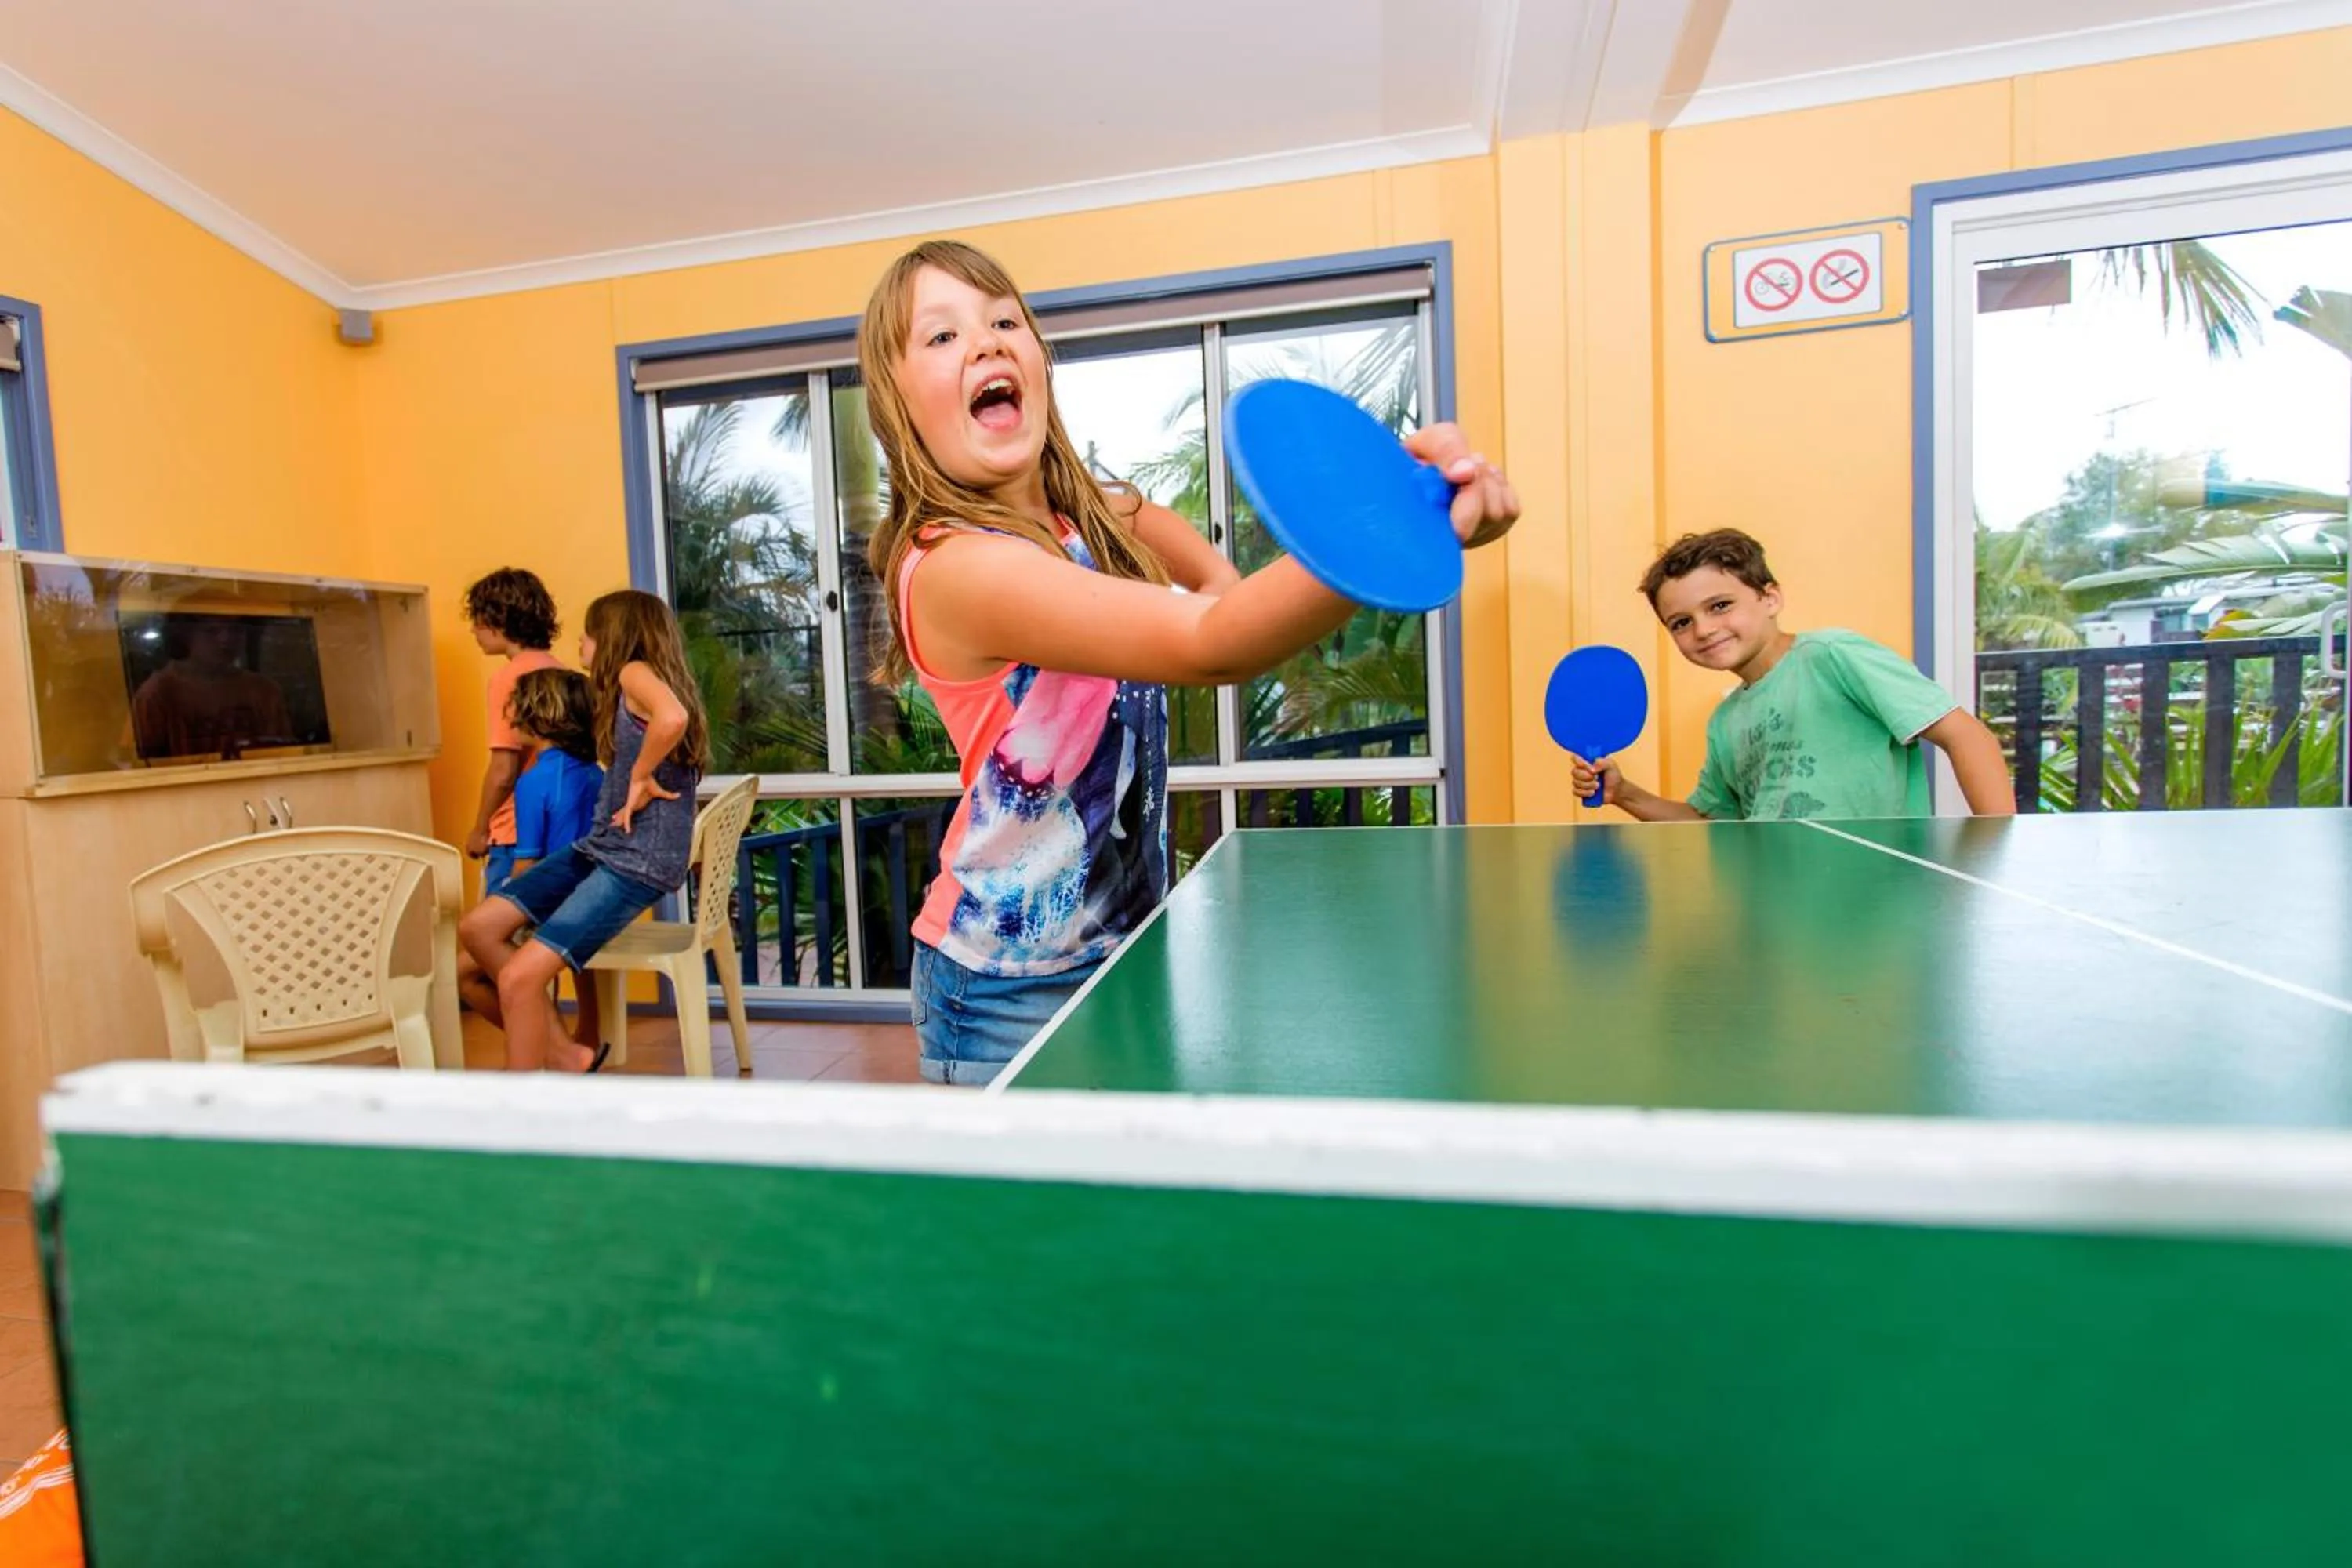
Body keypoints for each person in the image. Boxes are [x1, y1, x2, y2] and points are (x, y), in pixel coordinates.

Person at [858, 238, 1520, 1085]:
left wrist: (1409, 516)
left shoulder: (1096, 513)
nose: (985, 341)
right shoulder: (956, 568)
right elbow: (1214, 643)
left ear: (1036, 358)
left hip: (1124, 941)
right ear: (896, 403)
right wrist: (1394, 523)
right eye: (941, 337)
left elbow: (1219, 595)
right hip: (1003, 986)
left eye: (1002, 319)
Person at [1568, 529, 2014, 821]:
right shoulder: (1726, 720)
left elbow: (1966, 736)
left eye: (1720, 606)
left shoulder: (1833, 656)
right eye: (1681, 622)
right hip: (1782, 909)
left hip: (1878, 903)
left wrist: (1997, 853)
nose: (1703, 629)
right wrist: (1625, 793)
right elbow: (1710, 822)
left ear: (1770, 598)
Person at [458, 590, 707, 1073]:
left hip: (632, 864)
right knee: (479, 928)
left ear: (613, 638)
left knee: (517, 980)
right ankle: (568, 1055)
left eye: (588, 634)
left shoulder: (632, 671)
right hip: (603, 850)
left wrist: (640, 774)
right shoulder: (630, 687)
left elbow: (671, 718)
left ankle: (525, 1106)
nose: (579, 643)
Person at [456, 666, 607, 1050]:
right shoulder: (596, 774)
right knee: (571, 957)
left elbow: (527, 868)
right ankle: (587, 1034)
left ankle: (555, 1047)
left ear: (539, 719)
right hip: (590, 903)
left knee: (463, 974)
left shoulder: (535, 781)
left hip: (550, 909)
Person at [458, 568, 562, 897]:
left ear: (499, 619)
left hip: (515, 833)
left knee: (494, 935)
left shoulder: (509, 679)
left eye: (478, 618)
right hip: (558, 827)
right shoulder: (561, 672)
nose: (474, 629)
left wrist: (480, 829)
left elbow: (504, 771)